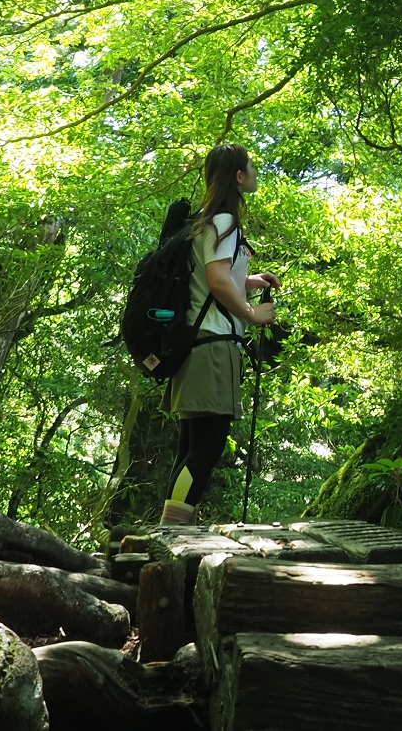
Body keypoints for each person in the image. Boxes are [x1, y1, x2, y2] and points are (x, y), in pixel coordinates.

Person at [160, 142, 279, 525]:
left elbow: (214, 278)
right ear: (239, 177)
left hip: (195, 346)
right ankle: (173, 531)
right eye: (251, 169)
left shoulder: (204, 221)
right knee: (206, 449)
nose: (255, 174)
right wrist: (251, 313)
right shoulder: (225, 222)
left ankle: (168, 527)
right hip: (213, 348)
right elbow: (215, 281)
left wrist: (251, 281)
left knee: (191, 448)